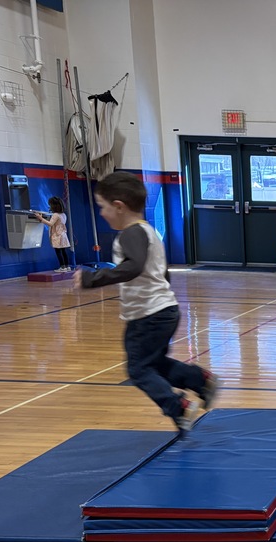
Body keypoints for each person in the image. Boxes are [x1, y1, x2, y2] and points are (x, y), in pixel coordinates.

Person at [74, 172, 219, 434]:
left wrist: (91, 279)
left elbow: (134, 267)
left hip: (147, 316)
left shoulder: (130, 234)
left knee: (139, 370)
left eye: (102, 207)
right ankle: (200, 380)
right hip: (163, 310)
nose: (102, 213)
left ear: (119, 206)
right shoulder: (150, 232)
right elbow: (161, 273)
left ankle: (179, 407)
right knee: (154, 364)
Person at [34, 197, 71, 272]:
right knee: (63, 251)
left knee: (58, 251)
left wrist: (40, 219)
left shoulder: (56, 215)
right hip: (63, 235)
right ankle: (67, 266)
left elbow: (50, 224)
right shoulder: (63, 214)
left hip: (57, 235)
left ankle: (62, 267)